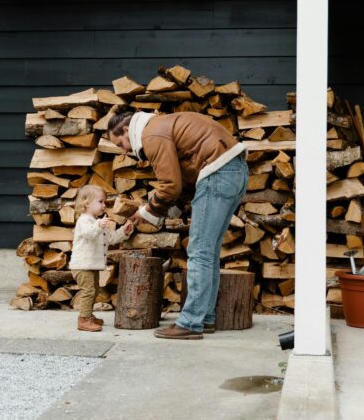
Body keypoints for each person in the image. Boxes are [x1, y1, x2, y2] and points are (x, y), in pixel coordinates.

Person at [107, 108, 248, 340]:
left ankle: (190, 323)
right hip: (235, 172)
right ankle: (205, 318)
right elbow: (181, 183)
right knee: (209, 252)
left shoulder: (150, 135)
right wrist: (166, 210)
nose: (124, 150)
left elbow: (170, 185)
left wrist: (148, 211)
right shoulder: (161, 125)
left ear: (126, 129)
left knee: (199, 251)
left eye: (120, 143)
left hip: (218, 172)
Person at [70, 184, 135, 332]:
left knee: (95, 290)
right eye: (100, 202)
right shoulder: (84, 220)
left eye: (104, 202)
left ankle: (88, 316)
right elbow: (89, 234)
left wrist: (123, 232)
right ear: (86, 203)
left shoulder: (96, 221)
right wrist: (99, 225)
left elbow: (110, 239)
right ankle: (83, 320)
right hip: (81, 266)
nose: (104, 205)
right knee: (89, 291)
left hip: (91, 265)